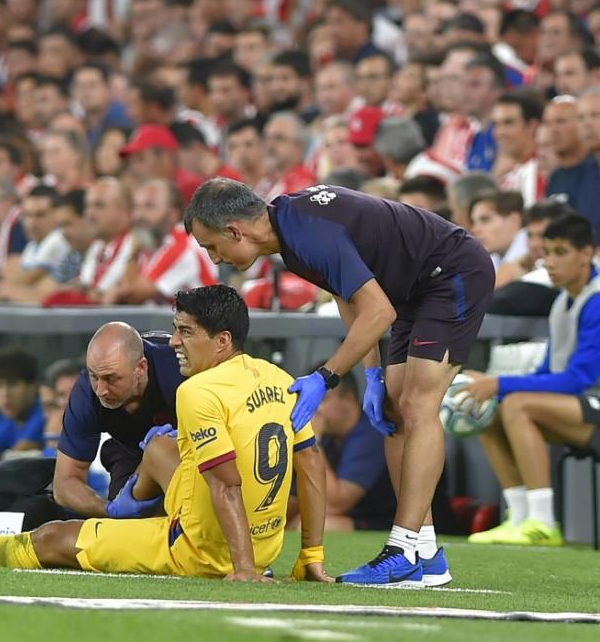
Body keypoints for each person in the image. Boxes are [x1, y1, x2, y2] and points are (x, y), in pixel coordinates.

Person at [0, 285, 332, 583]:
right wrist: (310, 556)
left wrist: (242, 569)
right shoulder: (278, 378)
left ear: (222, 340)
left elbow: (227, 484)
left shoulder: (196, 390)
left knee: (55, 539)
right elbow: (311, 464)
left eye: (186, 333)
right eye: (176, 331)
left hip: (202, 545)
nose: (175, 341)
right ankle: (128, 511)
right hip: (264, 541)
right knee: (159, 445)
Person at [185, 178, 495, 587]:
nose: (216, 258)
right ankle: (425, 552)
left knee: (419, 404)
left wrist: (325, 376)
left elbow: (378, 313)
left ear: (235, 231)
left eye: (212, 247)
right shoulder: (291, 232)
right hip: (409, 292)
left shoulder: (306, 232)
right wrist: (371, 373)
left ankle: (402, 548)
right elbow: (350, 298)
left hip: (452, 272)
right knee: (393, 411)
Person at [463, 212, 600, 546]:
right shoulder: (563, 302)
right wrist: (493, 385)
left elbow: (578, 379)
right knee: (488, 410)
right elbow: (548, 372)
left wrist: (501, 384)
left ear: (587, 253)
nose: (550, 262)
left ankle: (542, 522)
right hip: (582, 408)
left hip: (591, 403)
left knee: (516, 404)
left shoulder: (596, 300)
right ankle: (520, 517)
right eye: (546, 252)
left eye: (561, 252)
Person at [54, 323, 182, 515]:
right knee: (125, 529)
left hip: (190, 450)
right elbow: (64, 484)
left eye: (111, 379)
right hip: (128, 452)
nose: (101, 390)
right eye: (94, 376)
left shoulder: (179, 372)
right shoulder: (87, 394)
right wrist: (109, 510)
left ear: (141, 368)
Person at [291, 367, 396, 532]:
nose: (312, 409)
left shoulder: (372, 433)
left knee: (312, 525)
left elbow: (334, 504)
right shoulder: (330, 434)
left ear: (348, 399)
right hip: (350, 517)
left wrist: (312, 440)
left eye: (320, 400)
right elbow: (298, 497)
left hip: (385, 524)